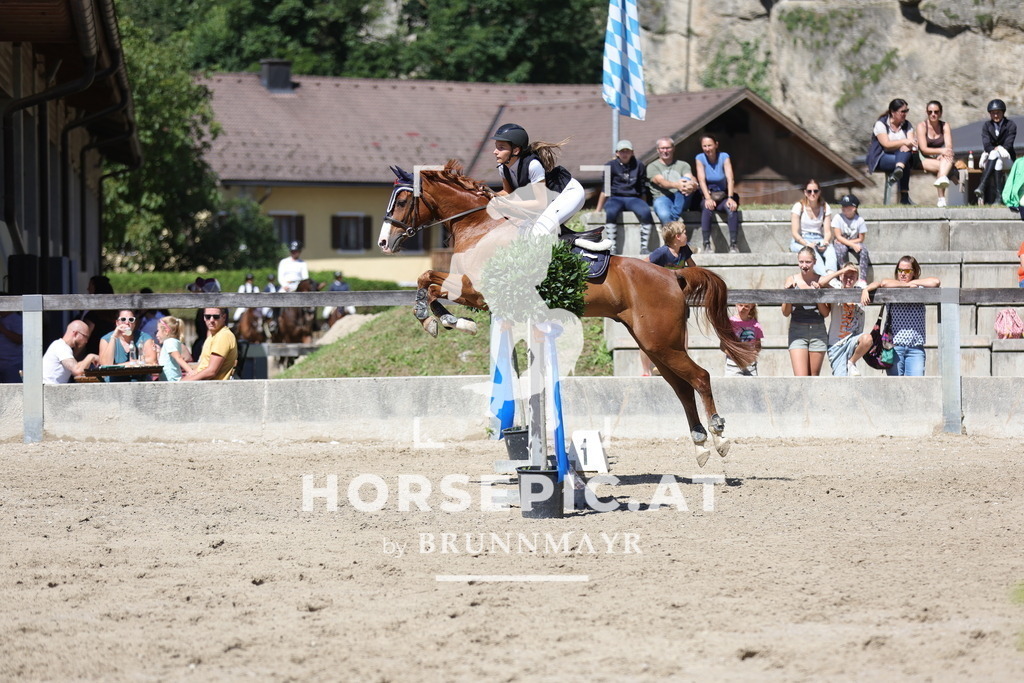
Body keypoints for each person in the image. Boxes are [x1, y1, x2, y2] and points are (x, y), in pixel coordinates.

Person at [490, 122, 586, 236]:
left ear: (515, 150)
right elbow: (507, 192)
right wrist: (490, 195)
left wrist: (508, 204)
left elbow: (540, 203)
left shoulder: (533, 165)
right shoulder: (503, 167)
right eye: (496, 147)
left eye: (501, 148)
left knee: (539, 232)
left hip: (569, 194)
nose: (495, 152)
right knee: (521, 232)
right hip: (551, 200)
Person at [860, 255, 941, 376]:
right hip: (894, 348)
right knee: (895, 388)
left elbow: (936, 282)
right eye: (900, 270)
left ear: (914, 272)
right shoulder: (892, 286)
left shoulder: (919, 288)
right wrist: (906, 285)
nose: (903, 274)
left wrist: (913, 282)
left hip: (915, 348)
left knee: (916, 386)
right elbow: (884, 283)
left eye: (907, 271)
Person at [640, 222, 696, 376]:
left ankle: (683, 361)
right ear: (678, 237)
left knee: (682, 328)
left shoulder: (684, 250)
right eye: (684, 232)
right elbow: (642, 265)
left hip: (678, 296)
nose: (686, 234)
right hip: (660, 298)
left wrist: (685, 275)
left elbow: (693, 268)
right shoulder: (662, 253)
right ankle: (646, 370)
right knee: (652, 331)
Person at [595, 139, 655, 254]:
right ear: (617, 153)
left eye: (627, 151)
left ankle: (644, 247)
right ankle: (611, 246)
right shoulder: (610, 166)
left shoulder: (639, 165)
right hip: (615, 198)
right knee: (611, 212)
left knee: (646, 212)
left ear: (632, 152)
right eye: (622, 151)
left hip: (633, 198)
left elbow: (642, 189)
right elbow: (605, 189)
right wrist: (598, 210)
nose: (625, 154)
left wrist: (644, 204)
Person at [782, 246, 831, 376]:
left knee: (813, 378)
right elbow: (785, 312)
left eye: (808, 262)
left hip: (818, 331)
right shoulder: (791, 279)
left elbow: (826, 313)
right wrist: (789, 295)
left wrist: (818, 294)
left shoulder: (821, 280)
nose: (804, 265)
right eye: (801, 262)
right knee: (801, 379)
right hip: (797, 330)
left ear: (814, 262)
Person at [819, 264, 873, 377]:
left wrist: (866, 289)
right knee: (841, 380)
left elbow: (880, 283)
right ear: (840, 276)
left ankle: (851, 362)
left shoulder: (861, 292)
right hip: (836, 344)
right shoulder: (835, 291)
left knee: (867, 339)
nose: (848, 279)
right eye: (845, 276)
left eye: (852, 276)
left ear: (857, 278)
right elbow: (822, 283)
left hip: (853, 340)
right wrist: (842, 271)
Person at [694, 134, 741, 253]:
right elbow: (701, 180)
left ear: (716, 145)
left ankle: (734, 244)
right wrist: (708, 198)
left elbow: (730, 179)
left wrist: (730, 198)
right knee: (707, 207)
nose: (707, 149)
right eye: (704, 146)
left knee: (731, 208)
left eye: (710, 145)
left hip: (723, 195)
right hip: (708, 195)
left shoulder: (724, 157)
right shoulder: (700, 158)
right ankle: (706, 244)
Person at [866, 98, 917, 205]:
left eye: (906, 111)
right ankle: (904, 196)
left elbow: (911, 143)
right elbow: (886, 144)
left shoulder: (907, 125)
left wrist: (907, 145)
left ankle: (899, 169)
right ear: (893, 112)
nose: (905, 114)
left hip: (900, 156)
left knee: (905, 156)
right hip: (881, 157)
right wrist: (904, 142)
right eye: (902, 111)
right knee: (905, 160)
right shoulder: (881, 124)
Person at [790, 179, 837, 276]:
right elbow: (795, 233)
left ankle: (832, 275)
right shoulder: (799, 206)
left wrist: (825, 242)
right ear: (805, 192)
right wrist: (807, 244)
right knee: (812, 253)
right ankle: (825, 278)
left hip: (818, 238)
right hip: (801, 240)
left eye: (815, 191)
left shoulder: (825, 207)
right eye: (809, 191)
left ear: (819, 192)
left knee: (831, 250)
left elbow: (827, 232)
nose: (812, 194)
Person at [647, 137, 698, 226]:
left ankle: (673, 219)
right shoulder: (652, 166)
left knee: (687, 181)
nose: (665, 151)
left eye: (668, 148)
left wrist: (693, 184)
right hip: (662, 198)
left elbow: (690, 177)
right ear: (657, 150)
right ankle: (675, 229)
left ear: (673, 148)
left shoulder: (683, 164)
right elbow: (660, 182)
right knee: (664, 215)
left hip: (681, 197)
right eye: (662, 148)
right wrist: (677, 185)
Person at [975, 99, 1017, 204]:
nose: (996, 115)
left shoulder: (1011, 125)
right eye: (993, 113)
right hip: (995, 160)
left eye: (998, 112)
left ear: (1003, 112)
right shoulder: (986, 126)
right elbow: (986, 145)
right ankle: (999, 197)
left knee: (995, 154)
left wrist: (999, 149)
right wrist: (996, 149)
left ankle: (983, 185)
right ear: (990, 114)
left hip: (1007, 159)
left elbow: (1008, 144)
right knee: (995, 156)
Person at [98, 309, 158, 381]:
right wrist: (113, 337)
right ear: (117, 323)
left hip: (140, 383)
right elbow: (105, 366)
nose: (127, 322)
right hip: (114, 384)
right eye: (123, 319)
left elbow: (152, 361)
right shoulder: (106, 339)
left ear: (134, 323)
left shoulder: (144, 337)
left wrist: (117, 366)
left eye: (131, 319)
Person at [915, 100, 955, 207]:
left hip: (937, 156)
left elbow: (949, 146)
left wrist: (944, 152)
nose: (933, 114)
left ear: (940, 113)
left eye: (936, 112)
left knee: (948, 156)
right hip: (921, 157)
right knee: (943, 166)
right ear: (926, 113)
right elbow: (924, 149)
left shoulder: (945, 125)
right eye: (930, 112)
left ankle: (942, 182)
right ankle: (941, 198)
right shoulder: (922, 126)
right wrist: (941, 151)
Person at [183, 307, 238, 381]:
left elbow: (211, 371)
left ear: (224, 317)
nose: (211, 320)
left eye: (216, 317)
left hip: (212, 388)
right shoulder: (213, 336)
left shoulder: (223, 336)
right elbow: (204, 366)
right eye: (208, 317)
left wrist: (184, 382)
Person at [831, 193, 871, 284]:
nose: (843, 208)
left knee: (863, 250)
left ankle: (862, 279)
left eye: (846, 207)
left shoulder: (859, 220)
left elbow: (861, 238)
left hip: (851, 241)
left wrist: (851, 243)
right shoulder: (838, 218)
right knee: (841, 249)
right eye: (843, 206)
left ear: (854, 208)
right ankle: (842, 276)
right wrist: (852, 244)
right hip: (842, 242)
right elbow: (838, 237)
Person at [724, 303, 763, 377]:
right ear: (736, 305)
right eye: (740, 305)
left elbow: (758, 345)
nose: (742, 308)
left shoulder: (755, 324)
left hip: (750, 365)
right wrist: (737, 356)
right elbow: (723, 346)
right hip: (733, 364)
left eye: (746, 306)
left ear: (751, 307)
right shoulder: (730, 323)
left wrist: (753, 354)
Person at [81, 274, 115, 357]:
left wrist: (76, 356)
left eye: (90, 286)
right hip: (112, 354)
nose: (87, 289)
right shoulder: (115, 312)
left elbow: (84, 336)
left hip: (94, 356)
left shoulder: (92, 314)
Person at [156, 316, 192, 381]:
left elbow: (178, 357)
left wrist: (190, 371)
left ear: (166, 331)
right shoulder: (173, 342)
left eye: (158, 331)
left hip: (171, 380)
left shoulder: (169, 342)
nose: (156, 334)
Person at [0, 310, 24, 383]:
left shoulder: (16, 319)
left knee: (13, 390)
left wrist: (2, 329)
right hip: (2, 362)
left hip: (13, 364)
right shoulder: (2, 318)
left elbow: (20, 339)